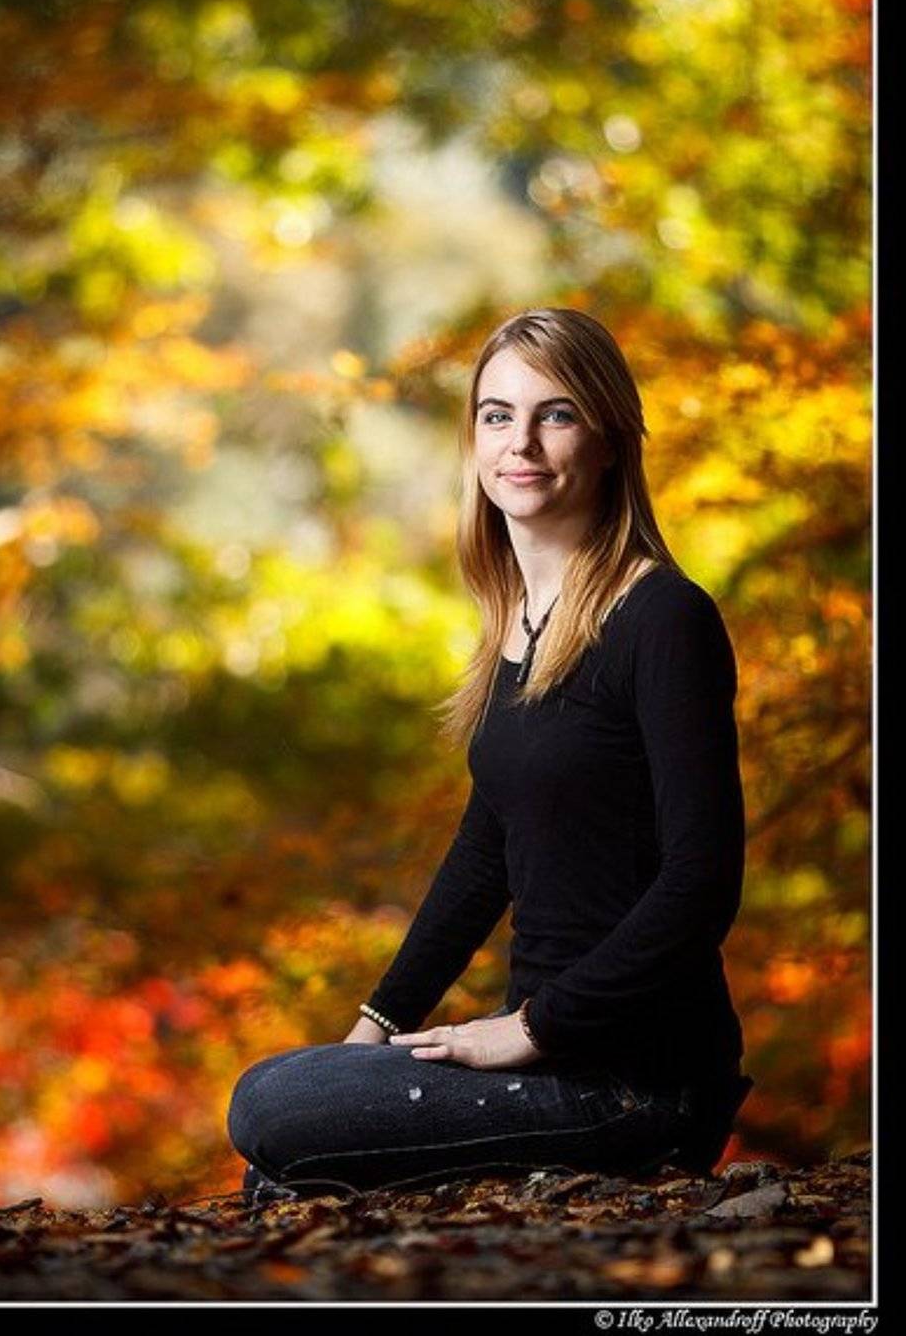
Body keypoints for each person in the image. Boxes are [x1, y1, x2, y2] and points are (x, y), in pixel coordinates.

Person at [227, 307, 754, 1205]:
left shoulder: (662, 618)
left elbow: (702, 879)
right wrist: (374, 1024)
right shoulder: (521, 623)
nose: (523, 443)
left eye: (556, 414)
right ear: (473, 438)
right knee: (286, 1105)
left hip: (633, 1079)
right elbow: (483, 853)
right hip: (555, 1059)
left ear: (610, 439)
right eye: (497, 414)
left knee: (270, 1112)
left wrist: (533, 1029)